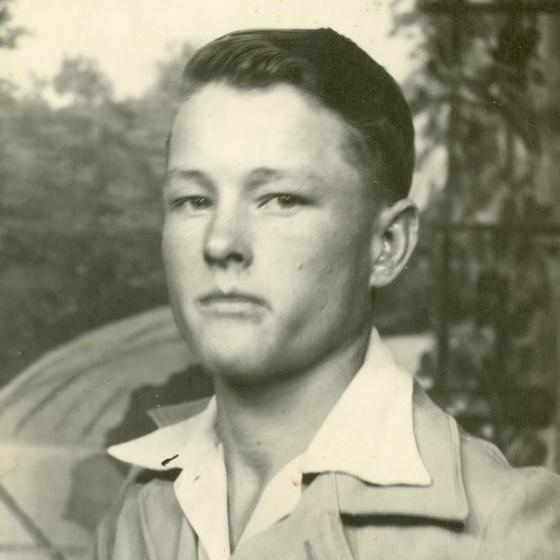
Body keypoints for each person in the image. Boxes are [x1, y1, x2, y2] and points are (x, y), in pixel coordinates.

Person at [96, 28, 560, 559]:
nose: (220, 243)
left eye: (281, 198)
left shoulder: (508, 529)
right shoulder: (137, 511)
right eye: (194, 200)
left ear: (388, 245)